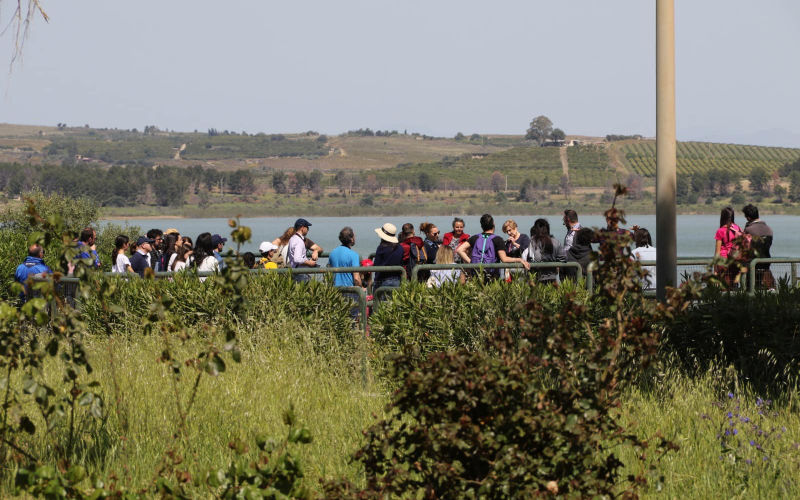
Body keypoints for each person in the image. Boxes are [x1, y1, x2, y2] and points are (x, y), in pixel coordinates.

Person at [456, 214, 529, 281]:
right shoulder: (498, 239)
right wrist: (519, 260)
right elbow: (504, 259)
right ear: (493, 224)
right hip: (491, 274)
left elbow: (459, 250)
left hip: (476, 273)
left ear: (481, 226)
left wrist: (471, 262)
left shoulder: (475, 237)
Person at [329, 227, 363, 319]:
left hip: (335, 291)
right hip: (349, 291)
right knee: (351, 319)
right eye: (354, 236)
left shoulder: (332, 253)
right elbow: (356, 278)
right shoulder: (354, 255)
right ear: (351, 239)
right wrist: (361, 289)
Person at [523, 218, 564, 284]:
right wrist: (555, 264)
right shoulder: (556, 242)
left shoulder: (533, 242)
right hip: (552, 278)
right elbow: (563, 258)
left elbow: (533, 258)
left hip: (538, 278)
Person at [714, 206, 745, 287]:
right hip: (734, 260)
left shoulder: (720, 231)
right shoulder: (738, 228)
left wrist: (715, 269)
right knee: (733, 284)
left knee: (723, 286)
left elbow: (717, 252)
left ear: (722, 217)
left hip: (723, 261)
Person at [373, 222, 404, 292]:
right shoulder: (400, 248)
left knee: (380, 299)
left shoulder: (381, 248)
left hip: (382, 280)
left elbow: (376, 265)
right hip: (396, 280)